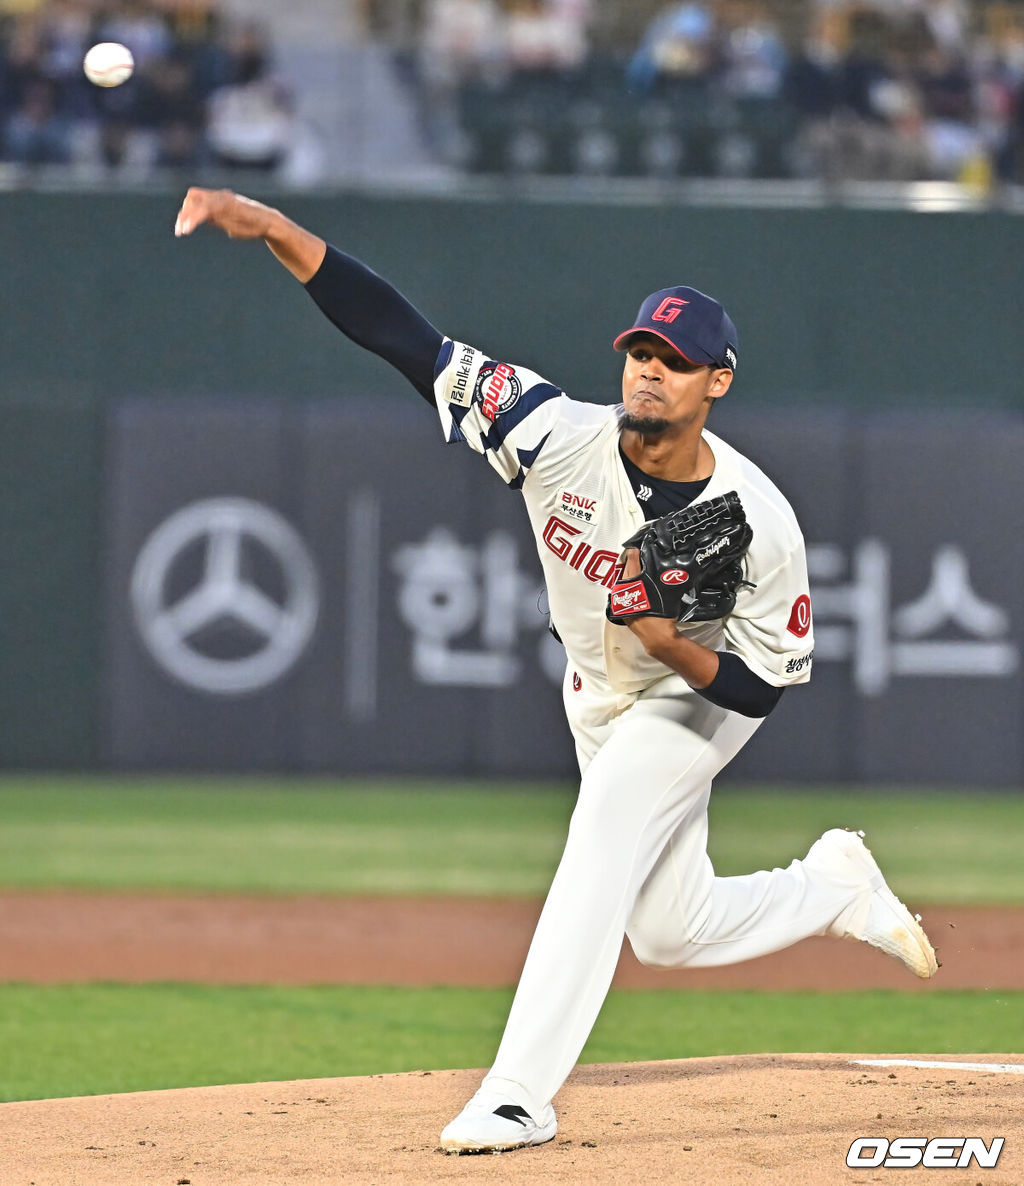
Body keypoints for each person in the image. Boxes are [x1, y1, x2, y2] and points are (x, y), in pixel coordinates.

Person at [173, 188, 939, 1155]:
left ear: (719, 383)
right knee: (668, 927)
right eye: (641, 353)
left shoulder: (756, 518)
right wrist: (282, 233)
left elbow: (765, 684)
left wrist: (673, 648)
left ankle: (519, 1093)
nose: (651, 371)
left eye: (677, 362)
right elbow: (406, 339)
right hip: (599, 694)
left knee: (603, 829)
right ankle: (831, 888)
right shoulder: (550, 432)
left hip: (698, 697)